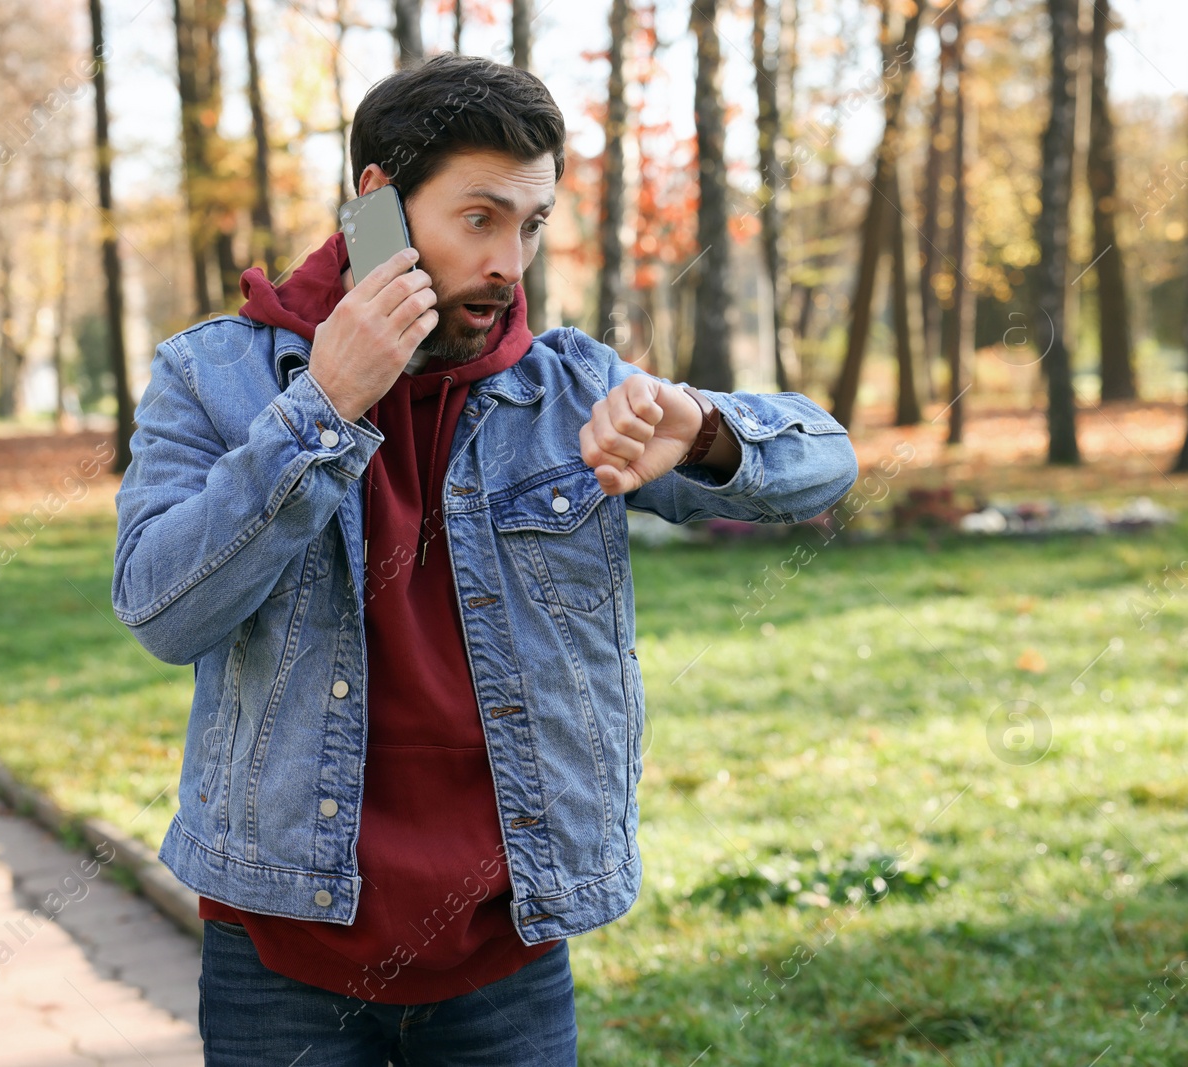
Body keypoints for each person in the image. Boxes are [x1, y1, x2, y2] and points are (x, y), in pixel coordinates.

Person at [112, 51, 859, 1067]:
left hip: (504, 950)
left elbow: (825, 461)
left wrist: (701, 427)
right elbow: (161, 608)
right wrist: (320, 414)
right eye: (479, 218)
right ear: (378, 203)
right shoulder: (214, 374)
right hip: (279, 945)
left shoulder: (570, 387)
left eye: (531, 223)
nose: (511, 261)